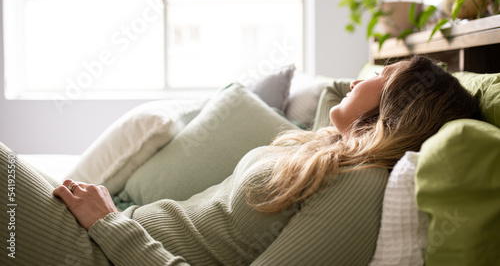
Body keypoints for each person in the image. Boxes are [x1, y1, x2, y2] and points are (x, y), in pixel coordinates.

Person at [0, 56, 480, 266]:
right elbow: (336, 96)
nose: (359, 79)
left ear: (399, 104)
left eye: (381, 72)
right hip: (103, 232)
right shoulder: (327, 151)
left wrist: (110, 227)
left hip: (100, 253)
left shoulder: (362, 190)